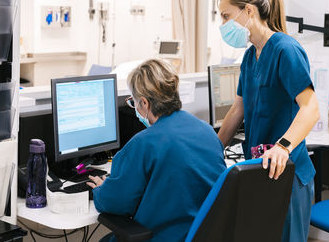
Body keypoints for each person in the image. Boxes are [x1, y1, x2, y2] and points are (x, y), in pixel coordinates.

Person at [217, 0, 320, 242]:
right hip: (259, 169)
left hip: (288, 173)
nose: (222, 24)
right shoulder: (250, 57)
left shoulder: (286, 50)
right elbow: (237, 109)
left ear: (248, 11)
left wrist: (282, 147)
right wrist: (214, 147)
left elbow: (311, 108)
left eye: (226, 16)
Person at [87, 59, 226, 242]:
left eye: (134, 102)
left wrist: (102, 190)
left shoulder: (144, 143)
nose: (135, 107)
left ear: (144, 103)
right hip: (204, 235)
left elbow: (116, 203)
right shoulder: (207, 131)